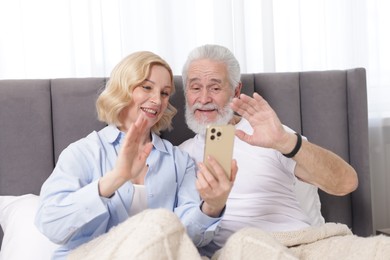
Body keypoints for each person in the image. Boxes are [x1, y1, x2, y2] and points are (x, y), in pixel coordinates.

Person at [34, 51, 237, 259]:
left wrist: (212, 207)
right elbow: (50, 224)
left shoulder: (179, 161)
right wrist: (115, 179)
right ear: (122, 89)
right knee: (159, 223)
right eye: (146, 87)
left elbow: (188, 239)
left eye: (165, 93)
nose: (157, 100)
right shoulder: (84, 152)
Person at [179, 44, 359, 257]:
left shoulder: (272, 134)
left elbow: (346, 183)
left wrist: (285, 142)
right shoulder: (180, 157)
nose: (204, 98)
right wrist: (213, 204)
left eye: (215, 88)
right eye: (195, 87)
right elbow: (185, 237)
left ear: (236, 90)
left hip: (305, 242)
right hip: (244, 248)